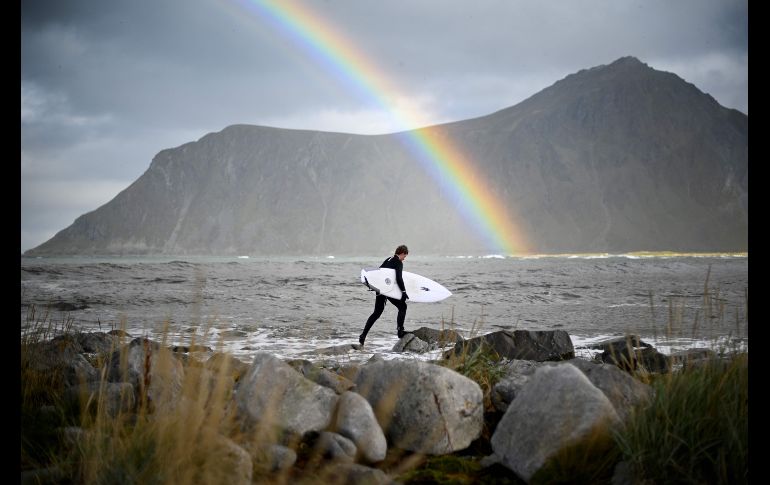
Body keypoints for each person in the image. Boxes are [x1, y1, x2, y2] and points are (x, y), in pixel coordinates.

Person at [359, 245, 411, 346]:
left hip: (381, 289)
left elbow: (379, 273)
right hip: (387, 290)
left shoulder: (388, 259)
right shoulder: (398, 262)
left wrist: (377, 289)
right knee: (403, 306)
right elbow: (399, 278)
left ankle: (363, 335)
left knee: (376, 313)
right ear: (402, 253)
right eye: (405, 256)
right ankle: (400, 331)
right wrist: (403, 292)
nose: (404, 258)